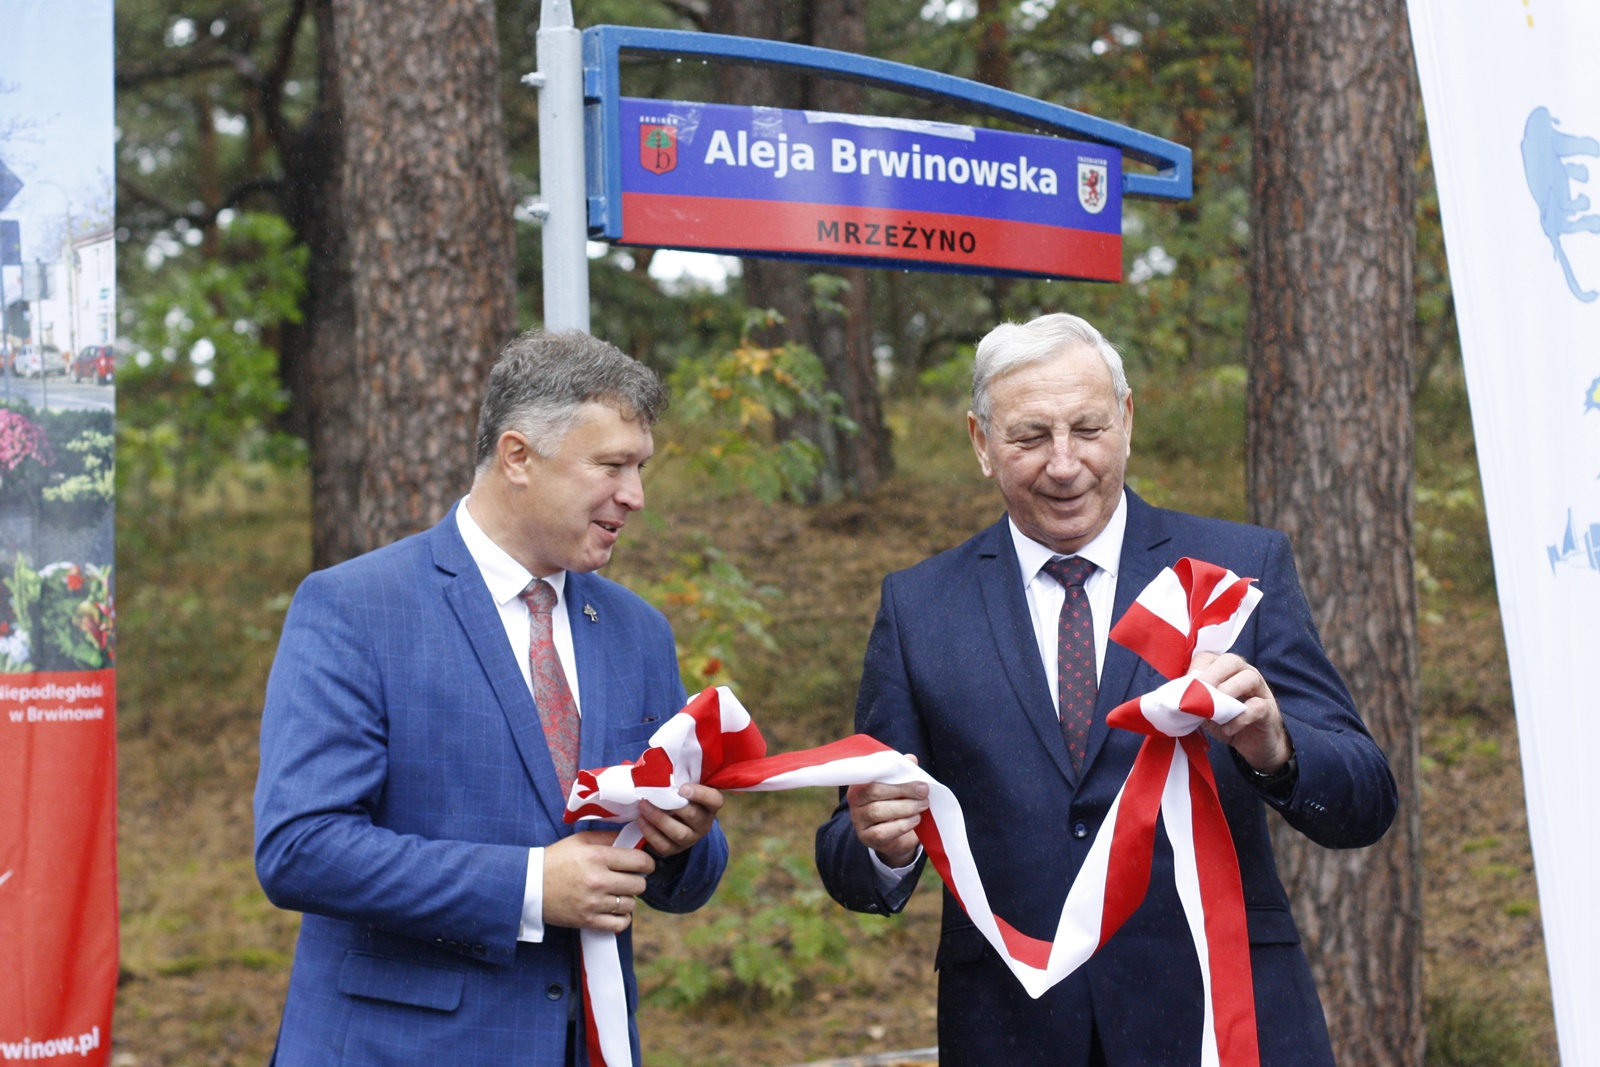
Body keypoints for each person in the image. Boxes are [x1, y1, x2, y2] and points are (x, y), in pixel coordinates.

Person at [815, 313, 1396, 1065]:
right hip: (1012, 1031)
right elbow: (850, 850)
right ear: (981, 443)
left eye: (1087, 428)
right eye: (1030, 436)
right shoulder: (919, 607)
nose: (1064, 464)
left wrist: (1277, 749)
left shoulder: (1239, 567)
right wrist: (884, 848)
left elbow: (1365, 800)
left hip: (1220, 1020)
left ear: (1126, 421)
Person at [255, 330, 728, 1067]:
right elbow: (300, 848)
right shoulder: (355, 607)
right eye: (611, 466)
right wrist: (530, 886)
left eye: (640, 468)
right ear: (517, 456)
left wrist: (683, 839)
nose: (635, 496)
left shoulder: (638, 631)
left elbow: (684, 883)